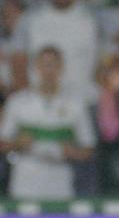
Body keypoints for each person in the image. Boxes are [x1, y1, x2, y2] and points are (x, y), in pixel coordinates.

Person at [0, 46, 95, 201]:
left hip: (60, 177)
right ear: (36, 68)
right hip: (26, 176)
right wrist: (17, 144)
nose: (48, 71)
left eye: (53, 65)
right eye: (44, 65)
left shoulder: (76, 104)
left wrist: (73, 153)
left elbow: (89, 148)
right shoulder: (18, 102)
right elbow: (3, 143)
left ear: (61, 68)